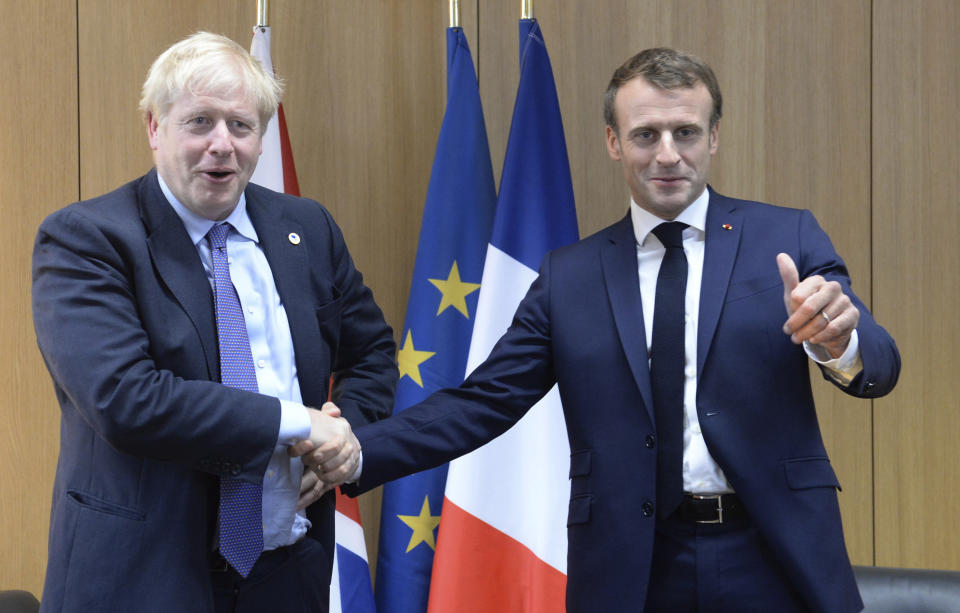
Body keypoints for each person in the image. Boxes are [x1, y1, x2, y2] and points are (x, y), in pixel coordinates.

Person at [323, 48, 900, 612]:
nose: (669, 154)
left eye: (687, 133)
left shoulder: (787, 238)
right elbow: (481, 402)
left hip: (774, 553)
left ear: (714, 137)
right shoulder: (570, 276)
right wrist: (353, 453)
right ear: (613, 142)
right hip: (635, 567)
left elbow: (879, 366)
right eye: (647, 134)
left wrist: (839, 341)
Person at [31, 32, 397, 613]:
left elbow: (372, 351)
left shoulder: (308, 228)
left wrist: (341, 436)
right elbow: (126, 399)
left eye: (241, 125)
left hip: (288, 573)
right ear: (155, 127)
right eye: (200, 121)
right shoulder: (87, 239)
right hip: (144, 577)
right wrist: (294, 420)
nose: (221, 145)